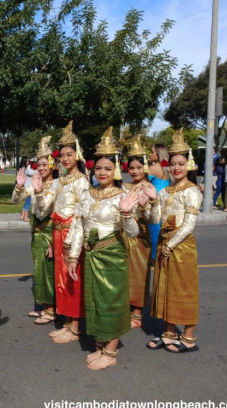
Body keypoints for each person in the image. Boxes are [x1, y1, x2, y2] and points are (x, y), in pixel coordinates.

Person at [67, 127, 140, 370]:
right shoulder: (88, 194)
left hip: (112, 255)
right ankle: (101, 345)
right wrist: (73, 257)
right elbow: (78, 226)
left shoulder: (124, 195)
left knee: (112, 301)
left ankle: (110, 352)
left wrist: (128, 213)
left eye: (107, 168)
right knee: (96, 301)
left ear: (116, 169)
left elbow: (133, 233)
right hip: (91, 254)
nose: (102, 173)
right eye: (98, 168)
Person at [147, 128, 202, 354]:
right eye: (173, 163)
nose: (177, 168)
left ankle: (188, 337)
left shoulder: (192, 191)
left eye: (181, 163)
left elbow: (189, 224)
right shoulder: (165, 191)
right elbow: (156, 219)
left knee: (183, 289)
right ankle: (169, 332)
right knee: (164, 287)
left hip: (181, 246)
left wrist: (169, 246)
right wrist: (150, 203)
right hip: (164, 243)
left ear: (188, 165)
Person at [35, 122, 89, 343]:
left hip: (72, 235)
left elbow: (81, 215)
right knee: (61, 280)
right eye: (62, 155)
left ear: (78, 154)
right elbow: (43, 210)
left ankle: (75, 327)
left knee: (72, 279)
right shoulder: (59, 182)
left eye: (70, 154)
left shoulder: (82, 182)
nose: (65, 159)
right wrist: (38, 192)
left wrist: (72, 243)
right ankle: (68, 322)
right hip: (57, 234)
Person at [12, 136, 56, 325]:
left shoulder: (57, 185)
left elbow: (46, 209)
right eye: (39, 165)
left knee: (49, 271)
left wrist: (37, 191)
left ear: (52, 164)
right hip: (36, 231)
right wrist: (20, 186)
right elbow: (16, 200)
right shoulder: (36, 182)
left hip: (49, 232)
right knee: (39, 270)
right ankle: (45, 306)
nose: (42, 168)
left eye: (45, 164)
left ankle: (52, 310)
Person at [122, 135, 161, 330]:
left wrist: (148, 205)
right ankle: (125, 309)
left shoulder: (149, 188)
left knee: (138, 274)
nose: (135, 171)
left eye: (139, 167)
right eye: (132, 168)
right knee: (123, 274)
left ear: (145, 167)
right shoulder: (124, 186)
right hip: (123, 236)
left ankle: (137, 313)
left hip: (140, 238)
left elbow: (154, 218)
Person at [147, 143, 171, 260]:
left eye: (152, 152)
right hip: (167, 204)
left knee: (154, 232)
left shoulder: (152, 168)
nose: (150, 155)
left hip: (155, 203)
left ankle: (155, 257)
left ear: (158, 154)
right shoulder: (168, 168)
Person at [18, 157, 34, 222]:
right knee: (28, 202)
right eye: (27, 161)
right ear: (24, 162)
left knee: (26, 202)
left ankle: (22, 216)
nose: (28, 162)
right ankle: (26, 217)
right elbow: (33, 173)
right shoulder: (27, 169)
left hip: (25, 187)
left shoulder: (22, 168)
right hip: (28, 188)